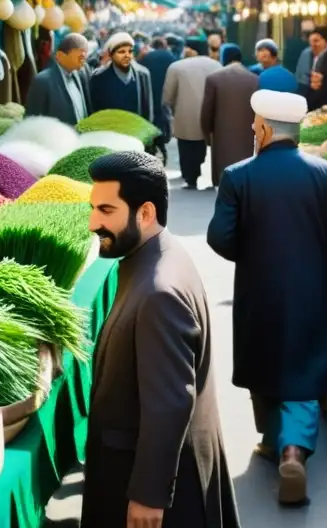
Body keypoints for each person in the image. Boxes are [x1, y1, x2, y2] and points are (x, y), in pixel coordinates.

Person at [207, 89, 327, 506]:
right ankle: (294, 451)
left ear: (267, 129)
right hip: (313, 291)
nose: (253, 131)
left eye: (256, 126)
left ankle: (273, 442)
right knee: (303, 369)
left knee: (264, 361)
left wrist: (255, 255)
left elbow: (219, 237)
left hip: (259, 290)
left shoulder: (238, 175)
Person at [81, 152, 240, 528]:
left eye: (106, 210)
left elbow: (169, 402)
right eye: (92, 209)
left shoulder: (158, 292)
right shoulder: (155, 256)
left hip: (158, 496)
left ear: (145, 213)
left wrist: (148, 494)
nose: (93, 223)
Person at [163, 37, 221, 189]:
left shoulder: (176, 66)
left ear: (190, 49)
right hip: (210, 114)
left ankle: (190, 177)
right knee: (205, 145)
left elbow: (168, 94)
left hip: (184, 113)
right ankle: (207, 173)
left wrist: (171, 106)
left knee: (186, 147)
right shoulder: (216, 66)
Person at [201, 44, 258, 187]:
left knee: (224, 176)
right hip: (247, 134)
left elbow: (207, 111)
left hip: (222, 134)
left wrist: (207, 135)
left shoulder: (214, 78)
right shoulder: (254, 79)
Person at [24, 33, 91, 125]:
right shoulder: (42, 81)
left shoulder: (80, 75)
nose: (83, 61)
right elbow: (31, 120)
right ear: (60, 55)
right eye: (80, 57)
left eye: (84, 57)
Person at [89, 32, 156, 124]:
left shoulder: (143, 74)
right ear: (111, 55)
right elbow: (95, 110)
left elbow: (148, 109)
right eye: (121, 52)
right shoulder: (98, 77)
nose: (126, 55)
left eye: (130, 51)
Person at [140, 36, 177, 163]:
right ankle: (163, 148)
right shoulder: (170, 57)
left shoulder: (146, 57)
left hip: (150, 92)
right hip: (164, 92)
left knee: (151, 120)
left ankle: (153, 148)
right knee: (163, 119)